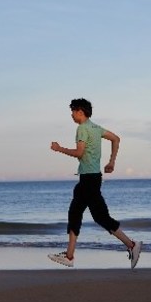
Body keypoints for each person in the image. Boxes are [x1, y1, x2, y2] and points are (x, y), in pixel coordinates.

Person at [48, 98, 142, 269]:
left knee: (89, 215)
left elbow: (79, 152)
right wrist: (111, 162)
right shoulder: (96, 128)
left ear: (80, 112)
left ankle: (131, 245)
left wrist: (59, 148)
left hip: (88, 180)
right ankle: (70, 255)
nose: (71, 114)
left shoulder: (82, 129)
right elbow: (116, 139)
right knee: (86, 214)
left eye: (73, 111)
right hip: (92, 178)